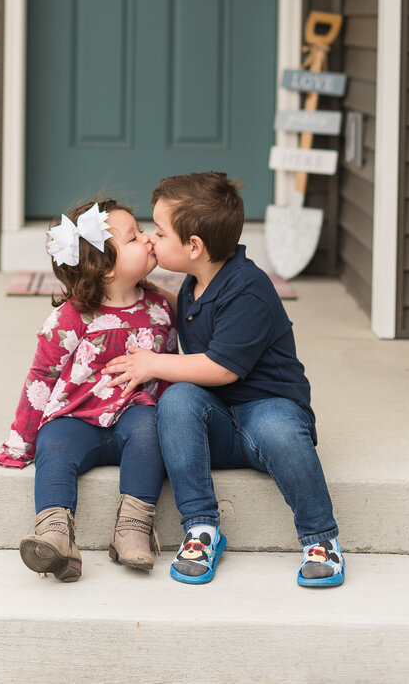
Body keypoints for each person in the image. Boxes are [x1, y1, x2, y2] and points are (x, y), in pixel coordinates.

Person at [105, 171, 344, 589]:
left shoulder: (248, 289)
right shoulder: (198, 281)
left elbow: (221, 368)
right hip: (218, 423)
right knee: (177, 401)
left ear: (193, 247)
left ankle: (320, 538)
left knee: (276, 429)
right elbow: (196, 316)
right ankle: (201, 529)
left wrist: (154, 363)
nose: (151, 240)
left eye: (159, 232)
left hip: (269, 412)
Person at [0, 197, 176, 582]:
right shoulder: (71, 317)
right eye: (133, 238)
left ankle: (132, 528)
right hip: (76, 417)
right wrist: (21, 442)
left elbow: (179, 358)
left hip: (134, 410)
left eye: (143, 231)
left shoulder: (162, 306)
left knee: (151, 430)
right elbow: (40, 379)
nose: (147, 240)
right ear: (105, 270)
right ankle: (55, 535)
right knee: (54, 446)